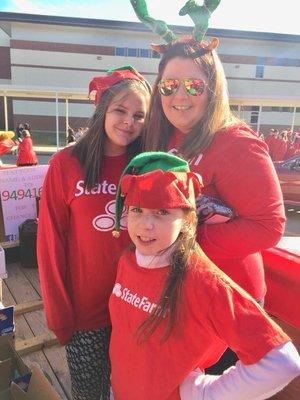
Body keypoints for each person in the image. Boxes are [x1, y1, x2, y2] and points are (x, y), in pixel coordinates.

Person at [109, 151, 300, 400]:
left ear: (187, 219)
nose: (146, 224)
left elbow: (280, 361)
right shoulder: (128, 259)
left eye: (162, 212)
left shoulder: (203, 282)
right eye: (137, 209)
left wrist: (202, 393)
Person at [37, 66, 151, 400]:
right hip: (86, 312)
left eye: (139, 115)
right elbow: (49, 243)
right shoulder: (65, 163)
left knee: (134, 390)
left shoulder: (147, 166)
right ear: (102, 109)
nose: (129, 122)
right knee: (89, 393)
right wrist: (58, 311)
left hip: (137, 307)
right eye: (120, 110)